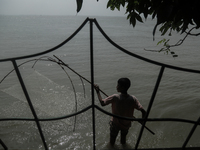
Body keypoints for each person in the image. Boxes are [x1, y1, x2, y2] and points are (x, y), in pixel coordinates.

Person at [94, 78, 146, 146]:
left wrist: (97, 91)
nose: (116, 87)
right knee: (123, 141)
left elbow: (102, 103)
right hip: (126, 125)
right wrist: (142, 121)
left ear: (122, 87)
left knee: (112, 142)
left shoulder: (115, 97)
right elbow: (144, 112)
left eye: (118, 85)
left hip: (115, 124)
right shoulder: (133, 99)